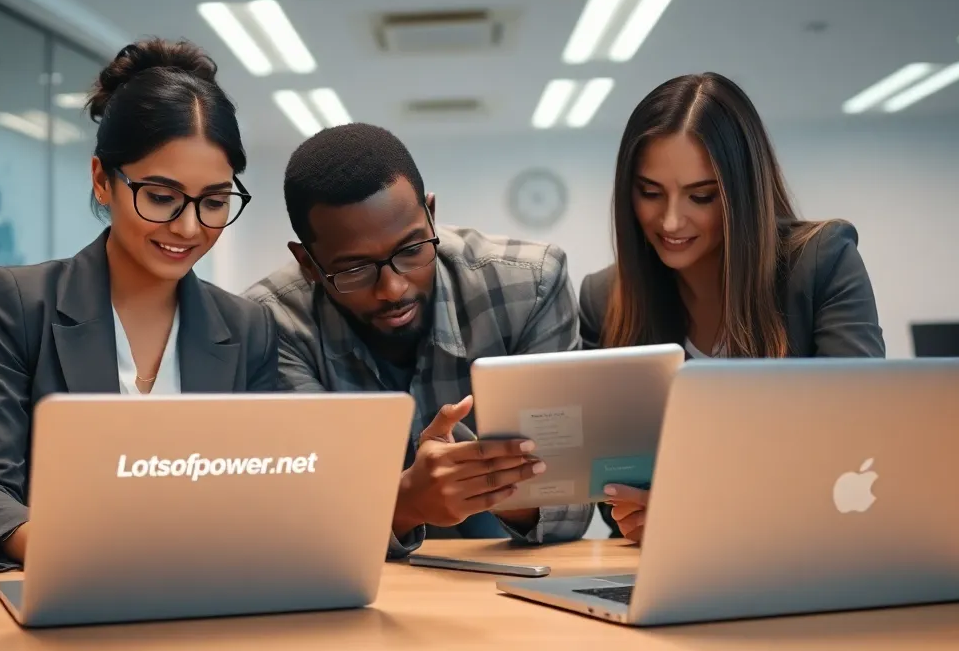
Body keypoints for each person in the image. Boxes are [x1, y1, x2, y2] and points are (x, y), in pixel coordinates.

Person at [0, 38, 278, 571]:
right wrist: (79, 555)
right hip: (72, 586)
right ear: (103, 180)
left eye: (215, 202)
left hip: (205, 591)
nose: (188, 227)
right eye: (162, 197)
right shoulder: (22, 303)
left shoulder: (248, 327)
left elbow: (267, 491)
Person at [244, 123, 593, 559]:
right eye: (354, 269)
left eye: (411, 250)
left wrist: (491, 490)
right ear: (308, 264)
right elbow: (302, 521)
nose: (393, 289)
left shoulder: (530, 286)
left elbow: (571, 504)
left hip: (511, 564)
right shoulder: (269, 323)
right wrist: (407, 502)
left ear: (430, 214)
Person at [579, 73, 885, 542]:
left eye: (701, 196)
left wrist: (703, 508)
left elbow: (858, 442)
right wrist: (639, 510)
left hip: (809, 548)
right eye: (650, 193)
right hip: (667, 563)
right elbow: (610, 494)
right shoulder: (605, 299)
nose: (671, 221)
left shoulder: (822, 261)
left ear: (742, 194)